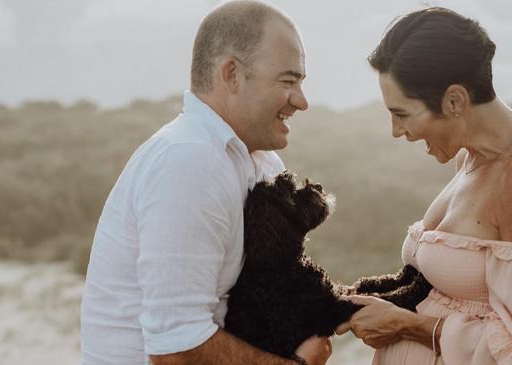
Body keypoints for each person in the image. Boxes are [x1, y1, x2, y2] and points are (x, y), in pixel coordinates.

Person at [80, 1, 331, 364]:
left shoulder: (260, 160)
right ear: (231, 74)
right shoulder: (189, 161)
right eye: (288, 81)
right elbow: (176, 350)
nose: (301, 101)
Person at [337, 7, 512, 365]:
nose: (396, 131)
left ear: (454, 101)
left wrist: (408, 327)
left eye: (402, 114)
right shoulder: (472, 158)